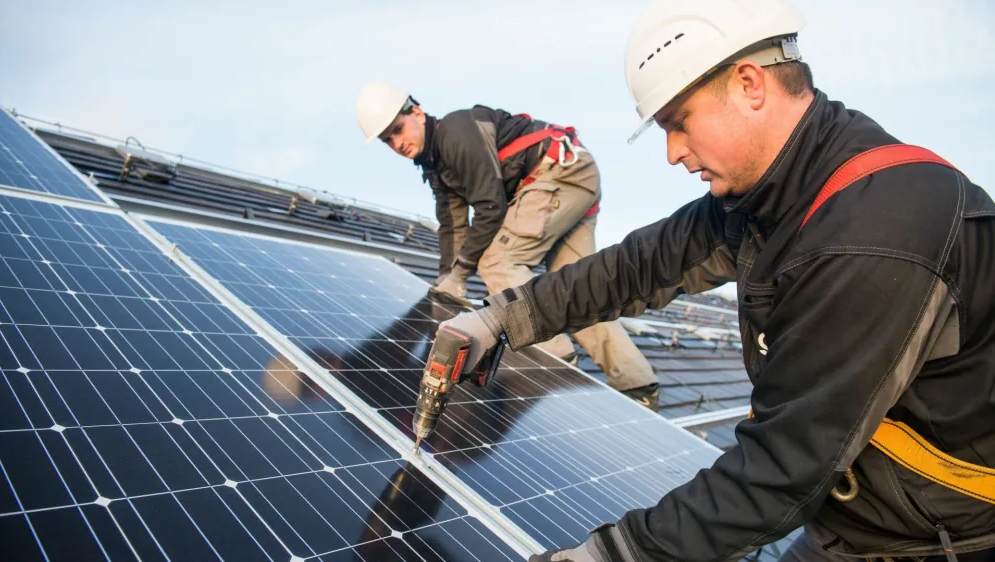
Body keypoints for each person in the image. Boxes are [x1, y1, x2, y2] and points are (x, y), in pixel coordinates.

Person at [425, 0, 995, 560]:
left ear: (750, 84)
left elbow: (781, 468)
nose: (673, 152)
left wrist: (611, 554)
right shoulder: (772, 193)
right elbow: (636, 265)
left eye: (679, 123)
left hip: (938, 540)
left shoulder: (877, 230)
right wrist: (499, 318)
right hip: (850, 517)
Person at [355, 83, 662, 409]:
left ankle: (554, 353)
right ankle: (638, 385)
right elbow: (453, 226)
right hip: (574, 178)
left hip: (558, 171)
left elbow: (490, 206)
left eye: (398, 129)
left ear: (416, 112)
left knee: (497, 260)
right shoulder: (436, 165)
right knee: (577, 289)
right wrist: (448, 280)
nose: (397, 142)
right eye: (388, 140)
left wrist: (461, 273)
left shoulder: (456, 133)